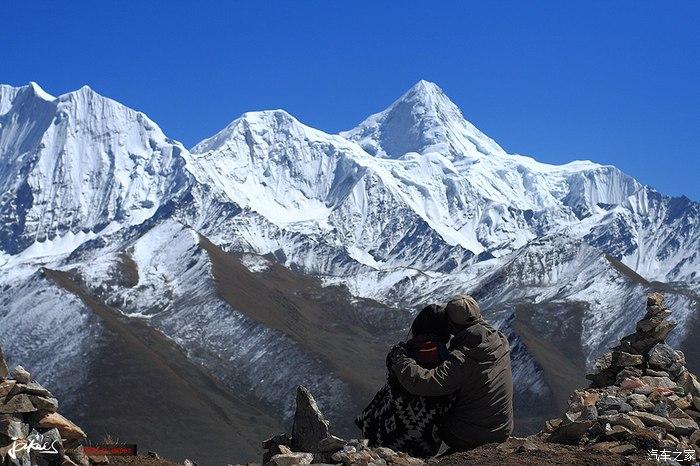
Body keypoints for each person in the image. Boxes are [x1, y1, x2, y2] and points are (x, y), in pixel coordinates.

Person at [390, 294, 513, 452]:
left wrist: (401, 358)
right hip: (503, 429)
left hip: (471, 436)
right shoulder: (500, 340)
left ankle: (412, 452)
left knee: (429, 404)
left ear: (451, 325)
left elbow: (422, 382)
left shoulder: (464, 357)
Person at [355, 305, 456, 457]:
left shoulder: (400, 354)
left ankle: (368, 431)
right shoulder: (449, 362)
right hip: (427, 443)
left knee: (385, 393)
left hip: (387, 437)